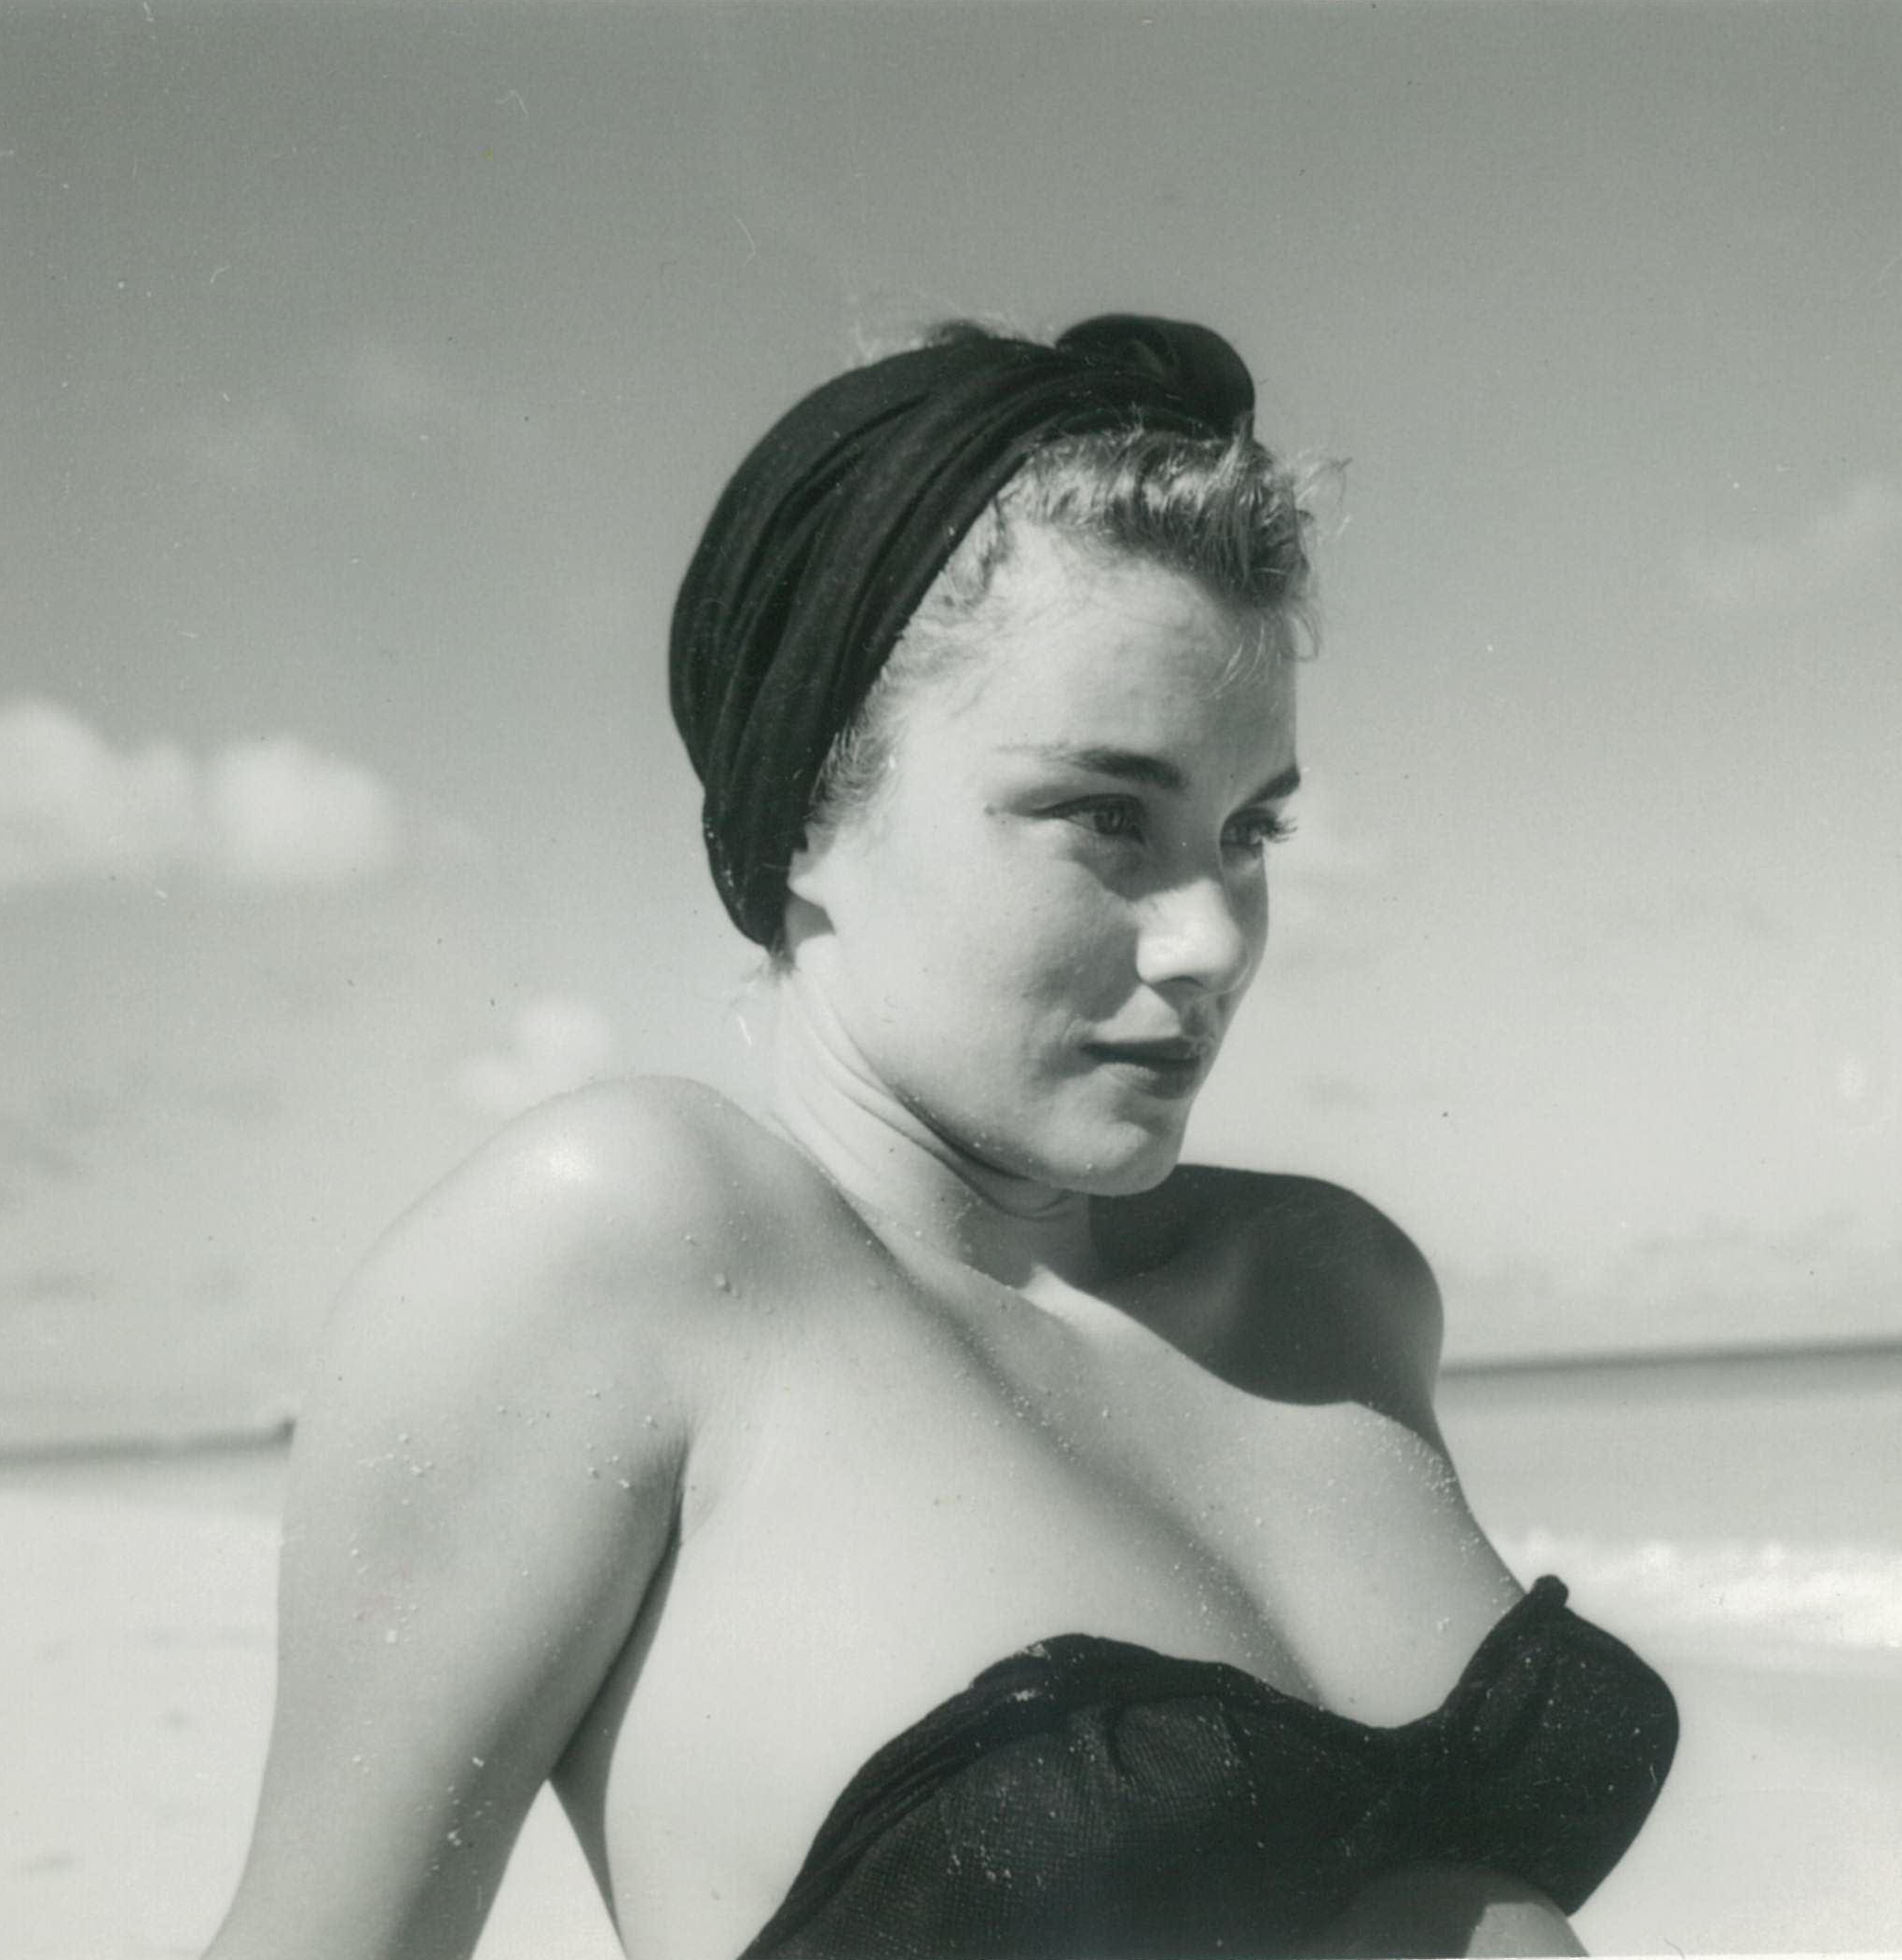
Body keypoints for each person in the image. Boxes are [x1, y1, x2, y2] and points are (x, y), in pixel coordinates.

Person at [206, 316, 1676, 1960]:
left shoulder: (1332, 1286)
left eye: (1247, 830)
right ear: (805, 812)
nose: (1211, 938)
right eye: (1105, 817)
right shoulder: (632, 1253)